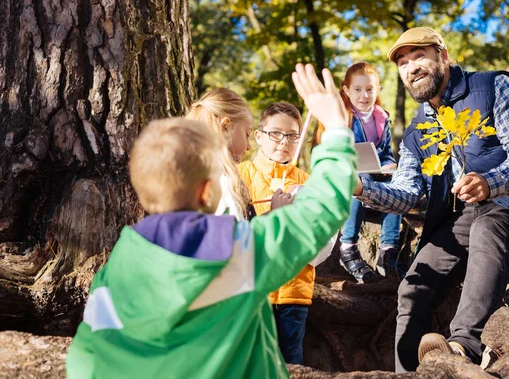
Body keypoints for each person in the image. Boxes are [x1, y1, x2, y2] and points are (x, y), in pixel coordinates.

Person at [66, 63, 358, 378]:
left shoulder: (115, 269)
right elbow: (320, 211)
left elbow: (87, 358)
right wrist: (337, 132)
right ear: (207, 192)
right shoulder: (237, 252)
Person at [353, 27, 509, 372]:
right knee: (411, 290)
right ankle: (407, 371)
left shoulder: (493, 87)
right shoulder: (417, 131)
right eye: (402, 63)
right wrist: (361, 189)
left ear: (443, 56)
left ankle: (461, 349)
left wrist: (491, 182)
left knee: (488, 225)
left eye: (419, 57)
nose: (411, 68)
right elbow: (407, 194)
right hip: (464, 216)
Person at [238, 102, 315, 365]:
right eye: (275, 134)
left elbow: (321, 236)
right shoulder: (241, 175)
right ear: (258, 136)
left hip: (294, 290)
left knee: (290, 360)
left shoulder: (307, 182)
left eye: (292, 135)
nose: (284, 141)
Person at [315, 62, 404, 283]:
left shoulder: (382, 117)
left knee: (397, 182)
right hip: (346, 177)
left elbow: (385, 154)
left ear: (378, 90)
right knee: (359, 178)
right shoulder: (342, 118)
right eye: (357, 89)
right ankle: (348, 246)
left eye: (370, 89)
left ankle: (389, 250)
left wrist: (389, 165)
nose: (364, 95)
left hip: (375, 176)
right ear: (346, 90)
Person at [185, 88, 255, 221]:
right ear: (226, 126)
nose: (248, 147)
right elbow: (233, 237)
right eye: (247, 134)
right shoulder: (222, 181)